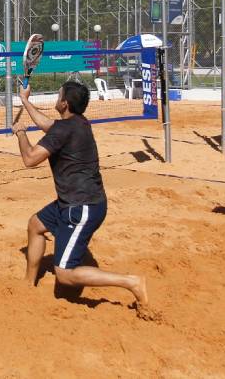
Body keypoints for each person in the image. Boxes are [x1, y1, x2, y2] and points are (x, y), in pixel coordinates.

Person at [12, 81, 148, 306]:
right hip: (74, 201)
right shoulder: (79, 123)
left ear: (64, 104)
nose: (56, 99)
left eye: (58, 95)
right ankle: (28, 283)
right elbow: (49, 125)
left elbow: (29, 159)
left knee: (64, 274)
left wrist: (21, 134)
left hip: (82, 207)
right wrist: (26, 101)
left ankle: (131, 282)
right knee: (35, 225)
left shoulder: (64, 129)